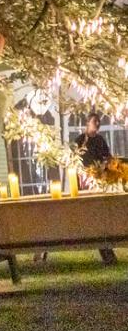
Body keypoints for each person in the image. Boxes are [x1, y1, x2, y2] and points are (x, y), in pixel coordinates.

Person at [74, 112, 117, 265]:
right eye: (94, 122)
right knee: (91, 213)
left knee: (99, 213)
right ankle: (104, 250)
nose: (97, 126)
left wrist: (108, 167)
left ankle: (106, 250)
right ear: (88, 123)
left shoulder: (100, 140)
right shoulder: (80, 140)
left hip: (100, 180)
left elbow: (108, 157)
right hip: (86, 181)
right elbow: (74, 160)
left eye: (99, 123)